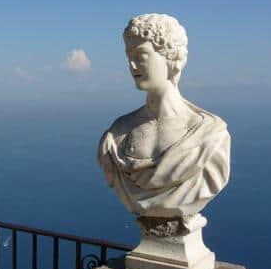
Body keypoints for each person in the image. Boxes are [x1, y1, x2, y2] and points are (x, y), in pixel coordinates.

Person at [98, 14, 230, 218]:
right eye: (129, 57)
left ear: (171, 57)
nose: (132, 65)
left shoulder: (211, 136)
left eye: (140, 56)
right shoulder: (115, 137)